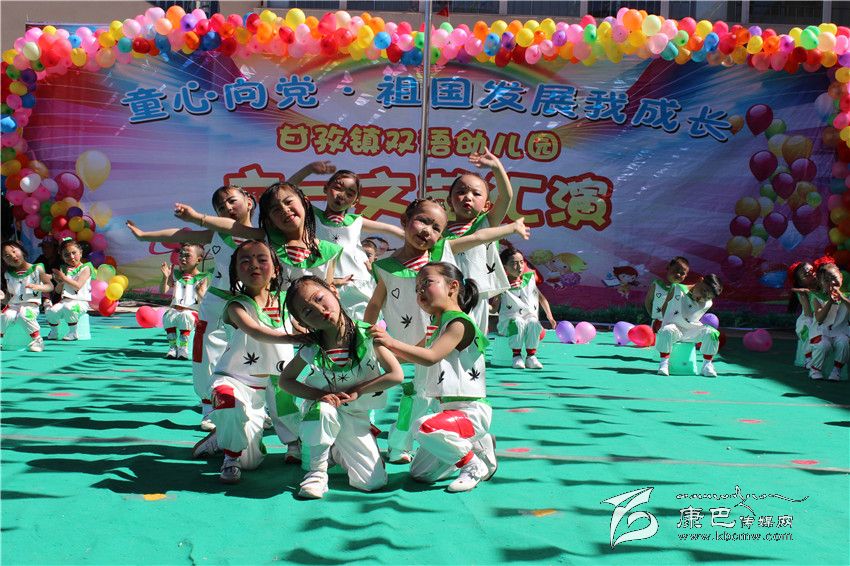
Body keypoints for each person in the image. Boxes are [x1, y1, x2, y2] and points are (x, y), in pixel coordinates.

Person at [363, 197, 530, 464]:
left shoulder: (441, 253)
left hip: (440, 341)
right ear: (405, 221)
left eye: (436, 228)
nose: (428, 231)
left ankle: (405, 443)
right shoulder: (384, 266)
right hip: (406, 342)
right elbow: (374, 303)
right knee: (418, 392)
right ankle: (425, 441)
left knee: (432, 394)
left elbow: (479, 236)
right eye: (422, 221)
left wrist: (512, 228)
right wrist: (367, 332)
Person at [127, 184, 257, 430]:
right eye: (220, 207)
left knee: (250, 356)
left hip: (248, 303)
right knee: (205, 355)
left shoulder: (261, 235)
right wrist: (143, 236)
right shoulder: (216, 235)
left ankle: (253, 406)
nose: (227, 208)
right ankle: (209, 407)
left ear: (249, 202)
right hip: (216, 303)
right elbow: (179, 234)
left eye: (232, 201)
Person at [370, 262, 497, 492]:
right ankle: (478, 444)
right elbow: (409, 355)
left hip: (470, 412)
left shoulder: (458, 323)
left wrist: (390, 341)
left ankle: (472, 465)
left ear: (453, 287)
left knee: (424, 426)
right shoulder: (437, 325)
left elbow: (430, 357)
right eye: (417, 288)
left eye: (426, 283)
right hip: (447, 413)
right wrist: (374, 354)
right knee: (421, 474)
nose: (420, 291)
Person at [191, 240, 306, 483]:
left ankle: (290, 444)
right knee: (230, 407)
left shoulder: (286, 301)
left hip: (278, 376)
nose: (254, 265)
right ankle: (230, 456)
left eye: (261, 259)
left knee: (280, 420)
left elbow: (300, 324)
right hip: (235, 380)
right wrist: (295, 337)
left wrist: (313, 331)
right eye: (245, 261)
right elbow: (255, 331)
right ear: (235, 272)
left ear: (275, 269)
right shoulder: (236, 305)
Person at [279, 275, 403, 498]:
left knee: (373, 482)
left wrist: (358, 391)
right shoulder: (313, 347)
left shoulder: (368, 334)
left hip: (355, 416)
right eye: (307, 312)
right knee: (324, 410)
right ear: (303, 323)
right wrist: (319, 395)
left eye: (319, 298)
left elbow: (396, 375)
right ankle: (317, 473)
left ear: (334, 291)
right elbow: (285, 380)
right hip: (322, 414)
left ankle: (334, 451)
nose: (319, 310)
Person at [175, 182, 342, 287]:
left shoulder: (329, 251)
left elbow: (328, 287)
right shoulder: (266, 238)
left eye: (289, 202)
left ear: (305, 202)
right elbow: (232, 227)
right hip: (276, 322)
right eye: (275, 209)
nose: (284, 210)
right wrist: (197, 218)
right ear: (269, 220)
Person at [311, 170, 405, 319]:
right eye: (338, 187)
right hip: (325, 285)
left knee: (364, 326)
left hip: (357, 285)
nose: (342, 195)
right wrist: (309, 169)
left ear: (355, 201)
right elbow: (284, 192)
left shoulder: (355, 221)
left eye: (350, 193)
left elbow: (393, 230)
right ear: (326, 188)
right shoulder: (312, 216)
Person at [443, 147, 513, 333]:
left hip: (476, 295)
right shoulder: (440, 229)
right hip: (444, 295)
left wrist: (496, 167)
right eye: (461, 191)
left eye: (476, 193)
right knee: (445, 338)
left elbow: (506, 197)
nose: (468, 197)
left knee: (474, 339)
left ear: (487, 205)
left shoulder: (486, 224)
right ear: (449, 201)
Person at [495, 247, 556, 369]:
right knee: (517, 321)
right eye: (514, 263)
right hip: (509, 325)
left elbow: (541, 298)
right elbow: (493, 307)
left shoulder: (529, 280)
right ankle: (516, 356)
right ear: (505, 266)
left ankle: (531, 357)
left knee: (533, 322)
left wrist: (550, 316)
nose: (519, 266)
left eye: (521, 262)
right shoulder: (501, 285)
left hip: (530, 324)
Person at [655, 274, 723, 377]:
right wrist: (666, 321)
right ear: (700, 280)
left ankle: (707, 365)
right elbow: (665, 306)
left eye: (708, 297)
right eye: (704, 291)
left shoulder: (708, 303)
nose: (703, 297)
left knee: (712, 333)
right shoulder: (677, 289)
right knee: (666, 330)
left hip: (691, 332)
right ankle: (664, 363)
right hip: (674, 329)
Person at [1, 240, 53, 351]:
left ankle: (37, 340)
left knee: (24, 315)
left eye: (14, 251)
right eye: (7, 256)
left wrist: (39, 287)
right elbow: (10, 298)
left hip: (31, 305)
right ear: (3, 260)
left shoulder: (37, 268)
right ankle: (3, 340)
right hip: (13, 306)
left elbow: (50, 286)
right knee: (5, 316)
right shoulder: (8, 274)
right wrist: (2, 298)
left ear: (22, 250)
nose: (13, 256)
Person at [160, 243, 209, 360]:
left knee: (185, 316)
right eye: (181, 255)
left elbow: (205, 300)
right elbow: (163, 290)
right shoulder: (176, 274)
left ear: (198, 260)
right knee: (168, 316)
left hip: (191, 312)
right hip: (175, 309)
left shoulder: (203, 277)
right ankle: (173, 347)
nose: (182, 258)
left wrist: (199, 292)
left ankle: (183, 348)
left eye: (187, 256)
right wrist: (165, 277)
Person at [808, 260, 849, 381]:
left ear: (841, 278)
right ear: (820, 283)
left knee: (844, 342)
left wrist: (842, 297)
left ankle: (837, 370)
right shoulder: (817, 296)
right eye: (826, 280)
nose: (831, 282)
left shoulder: (847, 296)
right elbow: (819, 318)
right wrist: (830, 302)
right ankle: (815, 370)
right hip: (821, 331)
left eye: (834, 278)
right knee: (823, 345)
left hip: (840, 331)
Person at [46, 239, 93, 341]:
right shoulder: (64, 269)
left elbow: (78, 286)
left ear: (80, 253)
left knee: (69, 308)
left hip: (81, 302)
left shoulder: (86, 268)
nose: (71, 257)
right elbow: (58, 291)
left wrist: (63, 278)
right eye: (66, 255)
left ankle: (73, 332)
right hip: (65, 301)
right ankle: (54, 331)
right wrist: (60, 282)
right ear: (62, 257)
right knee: (51, 311)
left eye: (74, 253)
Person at [644, 257, 690, 332]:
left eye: (682, 273)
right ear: (668, 268)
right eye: (675, 270)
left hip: (674, 327)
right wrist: (654, 316)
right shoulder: (657, 285)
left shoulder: (683, 291)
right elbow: (648, 302)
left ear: (686, 276)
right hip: (657, 324)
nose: (678, 274)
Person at [787, 261, 817, 368]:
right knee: (809, 329)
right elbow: (809, 313)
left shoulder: (822, 288)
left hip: (820, 317)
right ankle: (808, 358)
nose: (810, 273)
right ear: (800, 282)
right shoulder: (802, 293)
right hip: (808, 319)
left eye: (812, 271)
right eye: (806, 274)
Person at [34, 236, 61, 311]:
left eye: (48, 247)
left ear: (55, 248)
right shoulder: (41, 258)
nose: (45, 250)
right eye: (43, 247)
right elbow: (32, 270)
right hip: (46, 289)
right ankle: (45, 302)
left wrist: (52, 276)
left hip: (59, 291)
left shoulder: (61, 259)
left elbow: (66, 275)